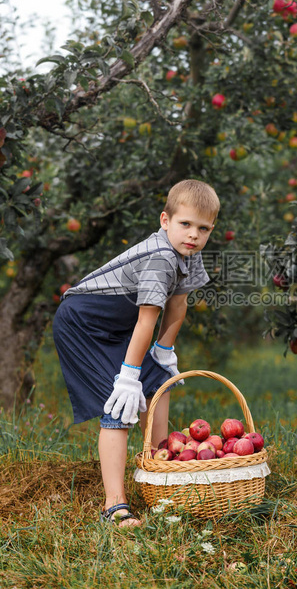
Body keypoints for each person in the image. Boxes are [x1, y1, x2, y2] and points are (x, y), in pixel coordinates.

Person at [53, 179, 220, 527]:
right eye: (185, 224)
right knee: (119, 404)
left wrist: (165, 351)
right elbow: (146, 320)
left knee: (160, 381)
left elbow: (178, 304)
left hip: (115, 327)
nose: (193, 234)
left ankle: (160, 470)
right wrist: (128, 378)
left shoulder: (188, 251)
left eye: (202, 228)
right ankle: (114, 506)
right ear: (165, 220)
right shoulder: (160, 257)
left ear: (210, 230)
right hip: (83, 324)